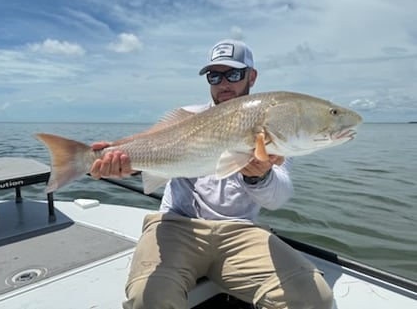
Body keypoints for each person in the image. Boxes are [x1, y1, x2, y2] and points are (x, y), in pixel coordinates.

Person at [90, 39, 334, 309]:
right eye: (214, 76)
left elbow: (278, 197)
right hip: (177, 226)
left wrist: (259, 176)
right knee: (148, 299)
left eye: (233, 74)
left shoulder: (274, 126)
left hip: (240, 232)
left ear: (251, 77)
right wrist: (117, 157)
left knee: (314, 299)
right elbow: (149, 144)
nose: (223, 83)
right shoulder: (189, 115)